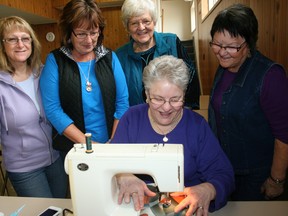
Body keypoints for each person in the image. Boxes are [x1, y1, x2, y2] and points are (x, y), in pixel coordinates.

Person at [111, 55, 235, 216]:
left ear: (184, 95)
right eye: (158, 99)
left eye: (175, 99)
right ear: (147, 94)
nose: (167, 108)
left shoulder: (197, 126)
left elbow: (224, 175)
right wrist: (122, 175)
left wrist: (208, 189)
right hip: (136, 207)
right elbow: (110, 163)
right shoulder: (131, 119)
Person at [208, 4, 288, 201]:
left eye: (232, 47)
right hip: (226, 169)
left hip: (257, 177)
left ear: (248, 44)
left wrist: (276, 180)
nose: (222, 52)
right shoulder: (223, 68)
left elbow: (284, 137)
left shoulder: (270, 76)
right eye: (217, 44)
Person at [40, 0, 129, 157]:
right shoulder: (55, 61)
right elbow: (53, 109)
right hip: (73, 149)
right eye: (81, 33)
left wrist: (114, 142)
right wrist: (88, 144)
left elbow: (122, 103)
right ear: (69, 33)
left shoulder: (110, 58)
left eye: (93, 33)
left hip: (111, 144)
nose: (89, 40)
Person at [0, 16, 67, 198]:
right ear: (2, 45)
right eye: (12, 39)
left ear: (32, 42)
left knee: (61, 208)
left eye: (25, 38)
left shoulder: (44, 72)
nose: (20, 44)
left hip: (55, 158)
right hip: (24, 168)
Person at [116, 0, 200, 109]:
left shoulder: (172, 42)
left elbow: (191, 80)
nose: (141, 27)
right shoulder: (119, 56)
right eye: (134, 23)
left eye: (146, 21)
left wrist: (187, 112)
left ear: (154, 22)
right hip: (138, 121)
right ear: (127, 27)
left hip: (173, 116)